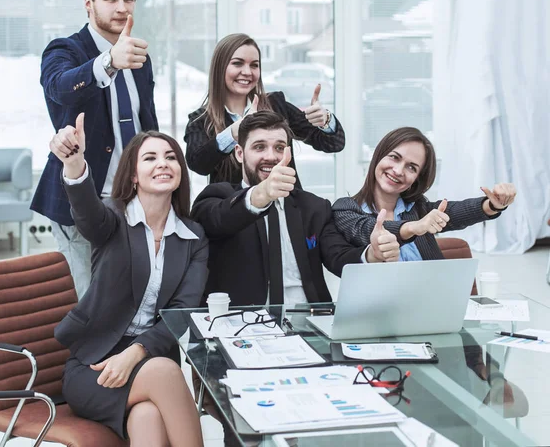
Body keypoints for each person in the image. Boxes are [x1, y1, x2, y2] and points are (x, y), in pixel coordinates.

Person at [190, 111, 397, 446]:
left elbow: (338, 257)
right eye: (259, 147)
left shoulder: (313, 206)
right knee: (255, 431)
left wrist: (371, 254)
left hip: (311, 336)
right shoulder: (216, 196)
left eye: (279, 146)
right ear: (240, 153)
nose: (271, 156)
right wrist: (260, 196)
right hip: (245, 341)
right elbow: (217, 221)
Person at [52, 113, 206, 446]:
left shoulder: (193, 236)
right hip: (93, 367)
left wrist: (134, 353)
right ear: (133, 175)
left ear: (180, 171)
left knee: (148, 416)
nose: (163, 164)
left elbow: (182, 313)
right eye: (150, 158)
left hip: (146, 359)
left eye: (170, 157)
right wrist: (76, 165)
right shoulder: (113, 219)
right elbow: (87, 214)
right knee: (166, 371)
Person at [31, 0, 158, 298]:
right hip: (81, 202)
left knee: (133, 297)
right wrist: (109, 61)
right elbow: (60, 87)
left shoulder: (138, 56)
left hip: (133, 201)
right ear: (89, 3)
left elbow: (147, 125)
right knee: (93, 302)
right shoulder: (65, 50)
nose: (122, 7)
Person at [332, 127, 517, 259]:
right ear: (378, 156)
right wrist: (414, 227)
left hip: (432, 305)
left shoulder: (419, 209)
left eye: (411, 167)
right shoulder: (345, 208)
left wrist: (493, 204)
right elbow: (366, 230)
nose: (398, 170)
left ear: (416, 180)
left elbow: (459, 211)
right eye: (394, 157)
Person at [184, 33, 345, 185]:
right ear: (220, 68)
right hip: (233, 211)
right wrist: (233, 132)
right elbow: (198, 164)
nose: (247, 72)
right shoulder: (201, 120)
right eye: (237, 63)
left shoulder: (276, 105)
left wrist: (325, 121)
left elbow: (334, 144)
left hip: (283, 210)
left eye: (254, 65)